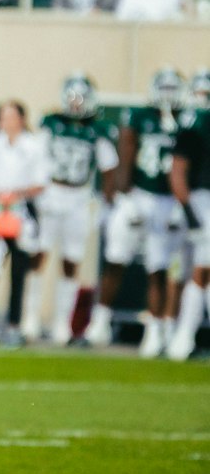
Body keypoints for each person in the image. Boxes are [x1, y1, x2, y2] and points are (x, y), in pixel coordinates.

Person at [87, 69, 188, 357]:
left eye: (172, 88)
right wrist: (125, 196)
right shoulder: (139, 116)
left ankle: (155, 330)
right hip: (137, 194)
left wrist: (180, 204)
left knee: (158, 267)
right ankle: (100, 320)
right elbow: (126, 153)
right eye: (163, 88)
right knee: (115, 259)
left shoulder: (186, 121)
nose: (167, 95)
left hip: (167, 199)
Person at [24, 77, 119, 345]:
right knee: (39, 254)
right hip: (51, 192)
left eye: (81, 98)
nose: (76, 103)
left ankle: (62, 322)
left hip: (79, 196)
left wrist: (106, 203)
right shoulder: (52, 123)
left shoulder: (97, 130)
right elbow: (36, 156)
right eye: (73, 97)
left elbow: (109, 168)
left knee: (71, 260)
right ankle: (31, 317)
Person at [0, 102, 49, 344]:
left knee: (19, 268)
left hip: (21, 210)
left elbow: (41, 182)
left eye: (11, 117)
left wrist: (16, 195)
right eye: (2, 117)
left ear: (21, 119)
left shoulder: (33, 146)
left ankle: (14, 323)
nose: (6, 122)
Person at [167, 105, 210, 361]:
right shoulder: (197, 124)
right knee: (200, 270)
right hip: (201, 201)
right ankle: (182, 336)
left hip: (199, 203)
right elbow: (178, 170)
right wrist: (191, 216)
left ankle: (183, 337)